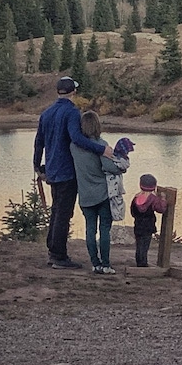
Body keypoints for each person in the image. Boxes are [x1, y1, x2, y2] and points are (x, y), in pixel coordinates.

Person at [33, 76, 114, 269]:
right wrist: (102, 150)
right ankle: (58, 256)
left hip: (52, 170)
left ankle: (53, 251)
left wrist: (38, 167)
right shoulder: (71, 112)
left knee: (56, 210)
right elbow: (77, 139)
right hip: (67, 171)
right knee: (63, 213)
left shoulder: (46, 113)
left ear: (58, 91)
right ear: (74, 92)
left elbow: (39, 142)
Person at [70, 109, 126, 275]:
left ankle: (95, 263)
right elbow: (110, 168)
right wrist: (122, 165)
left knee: (90, 229)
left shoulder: (73, 146)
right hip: (103, 195)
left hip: (85, 195)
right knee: (104, 230)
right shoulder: (101, 145)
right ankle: (106, 264)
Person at [130, 174, 168, 268]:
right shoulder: (153, 199)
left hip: (138, 225)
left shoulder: (136, 198)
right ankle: (143, 264)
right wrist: (163, 199)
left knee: (139, 245)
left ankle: (139, 262)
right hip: (148, 226)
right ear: (154, 187)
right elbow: (161, 209)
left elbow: (133, 213)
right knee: (145, 246)